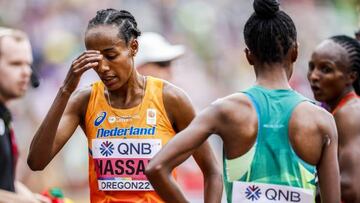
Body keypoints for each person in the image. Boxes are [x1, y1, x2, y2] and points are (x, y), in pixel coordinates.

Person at [146, 0, 341, 202]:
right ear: (295, 52)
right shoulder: (322, 121)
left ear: (248, 55)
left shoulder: (225, 110)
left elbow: (156, 167)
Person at [27, 8, 222, 203]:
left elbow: (212, 171)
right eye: (94, 59)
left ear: (133, 48)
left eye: (111, 56)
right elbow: (36, 162)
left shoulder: (170, 98)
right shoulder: (84, 100)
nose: (102, 68)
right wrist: (65, 91)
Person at [308, 35, 360, 203]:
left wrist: (301, 190)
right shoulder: (337, 111)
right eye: (312, 67)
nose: (314, 76)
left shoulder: (348, 114)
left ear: (351, 77)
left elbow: (351, 189)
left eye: (326, 69)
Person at [0, 27, 48, 203]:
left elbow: (5, 183)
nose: (26, 72)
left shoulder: (4, 114)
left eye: (28, 64)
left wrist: (33, 198)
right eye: (15, 64)